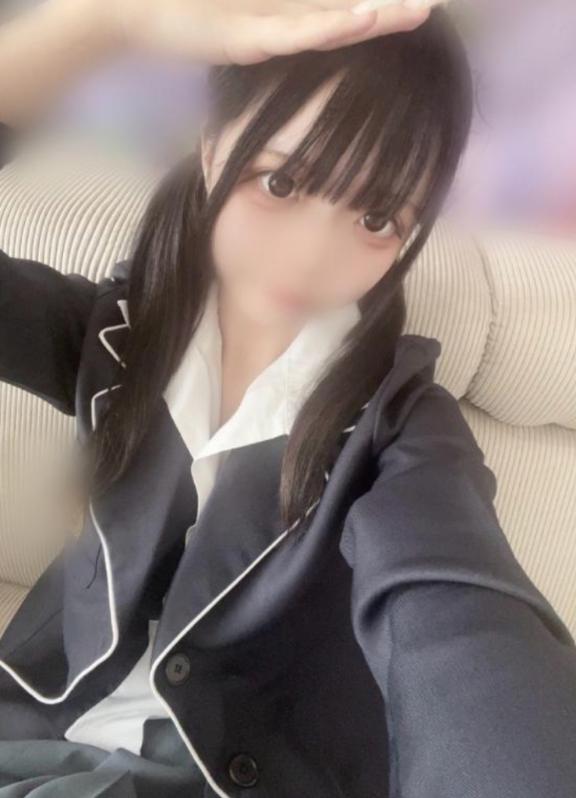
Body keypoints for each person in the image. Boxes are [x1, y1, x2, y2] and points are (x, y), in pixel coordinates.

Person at [0, 0, 575, 796]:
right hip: (42, 734)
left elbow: (465, 621)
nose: (310, 258)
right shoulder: (117, 335)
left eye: (378, 216)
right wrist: (110, 20)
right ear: (212, 152)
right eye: (282, 181)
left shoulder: (402, 431)